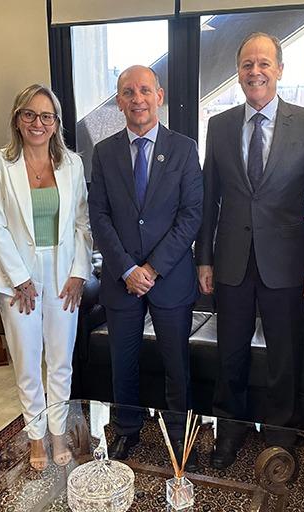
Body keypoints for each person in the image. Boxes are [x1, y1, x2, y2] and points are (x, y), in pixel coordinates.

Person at [194, 32, 304, 469]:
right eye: (247, 64)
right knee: (229, 350)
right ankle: (228, 430)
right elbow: (210, 196)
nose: (255, 71)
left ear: (280, 70)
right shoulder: (220, 124)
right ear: (238, 72)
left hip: (287, 263)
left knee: (283, 355)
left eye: (264, 63)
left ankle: (279, 435)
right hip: (231, 258)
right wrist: (204, 258)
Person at [88, 65, 203, 465]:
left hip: (168, 277)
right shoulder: (103, 153)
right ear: (119, 101)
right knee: (124, 361)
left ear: (160, 95)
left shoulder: (185, 148)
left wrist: (151, 269)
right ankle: (126, 429)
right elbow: (98, 216)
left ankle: (177, 431)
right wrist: (126, 269)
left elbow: (191, 215)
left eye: (144, 91)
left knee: (176, 361)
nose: (137, 99)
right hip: (121, 280)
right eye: (128, 92)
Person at [0, 84, 93, 471]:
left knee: (61, 361)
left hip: (63, 274)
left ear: (56, 123)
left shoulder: (72, 164)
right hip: (18, 277)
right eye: (29, 114)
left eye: (47, 116)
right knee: (28, 362)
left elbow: (83, 224)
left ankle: (59, 432)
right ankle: (35, 437)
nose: (38, 123)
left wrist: (80, 273)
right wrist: (19, 278)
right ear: (17, 118)